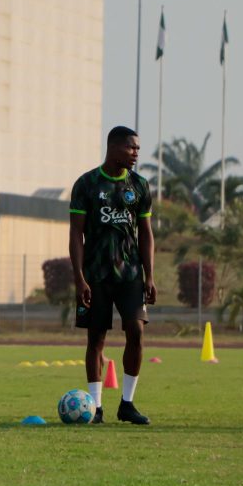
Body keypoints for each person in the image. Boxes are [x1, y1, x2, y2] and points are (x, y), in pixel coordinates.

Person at [69, 125, 156, 425]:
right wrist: (79, 278)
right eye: (131, 148)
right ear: (114, 147)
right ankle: (95, 408)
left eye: (137, 149)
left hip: (130, 273)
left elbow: (146, 234)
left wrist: (150, 275)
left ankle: (127, 404)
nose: (136, 154)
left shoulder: (140, 186)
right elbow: (75, 235)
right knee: (96, 340)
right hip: (96, 275)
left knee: (137, 331)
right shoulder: (86, 184)